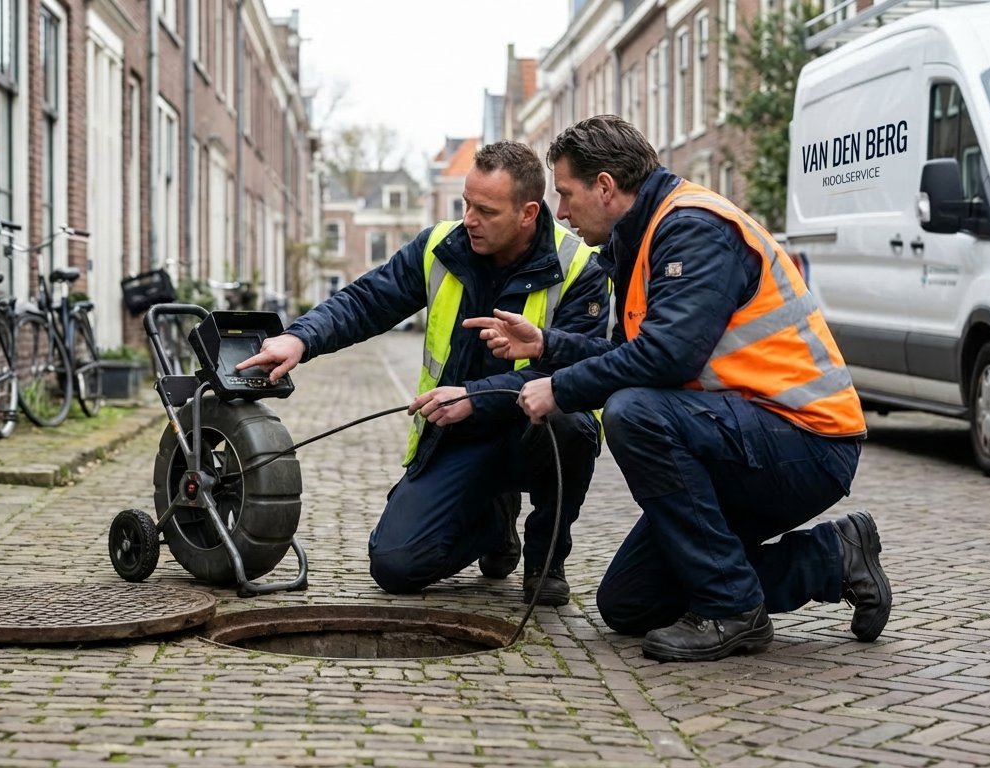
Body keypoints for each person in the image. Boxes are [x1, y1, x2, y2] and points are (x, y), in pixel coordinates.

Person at [465, 116, 892, 661]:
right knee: (629, 605)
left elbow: (666, 358)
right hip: (738, 438)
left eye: (567, 195)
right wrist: (546, 344)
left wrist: (559, 389)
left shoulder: (694, 228)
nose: (562, 213)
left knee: (633, 413)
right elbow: (635, 355)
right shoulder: (642, 240)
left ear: (605, 187)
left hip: (804, 441)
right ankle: (833, 558)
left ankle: (733, 611)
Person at [237, 141, 610, 605]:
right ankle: (495, 523)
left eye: (486, 210)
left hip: (535, 431)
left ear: (528, 213)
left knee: (569, 422)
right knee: (395, 565)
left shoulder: (579, 269)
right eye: (466, 204)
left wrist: (478, 394)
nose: (469, 219)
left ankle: (546, 559)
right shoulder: (441, 246)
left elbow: (579, 367)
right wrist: (301, 338)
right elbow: (368, 300)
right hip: (457, 437)